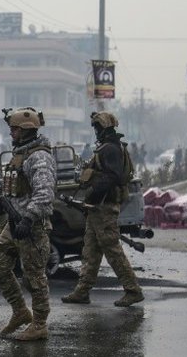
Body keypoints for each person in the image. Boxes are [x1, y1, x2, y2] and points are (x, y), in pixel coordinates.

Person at [61, 111, 144, 308]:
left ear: (104, 128)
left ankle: (133, 290)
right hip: (97, 208)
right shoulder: (108, 147)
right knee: (91, 251)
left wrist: (93, 196)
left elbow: (111, 177)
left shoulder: (111, 149)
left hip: (104, 207)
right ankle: (82, 291)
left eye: (97, 127)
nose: (95, 131)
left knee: (112, 250)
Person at [0, 107, 56, 341]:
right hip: (13, 224)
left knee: (34, 278)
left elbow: (45, 193)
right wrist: (4, 202)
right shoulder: (21, 154)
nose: (11, 133)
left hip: (31, 226)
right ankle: (20, 312)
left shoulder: (39, 157)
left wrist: (28, 218)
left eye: (15, 129)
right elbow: (17, 187)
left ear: (27, 129)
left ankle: (39, 324)